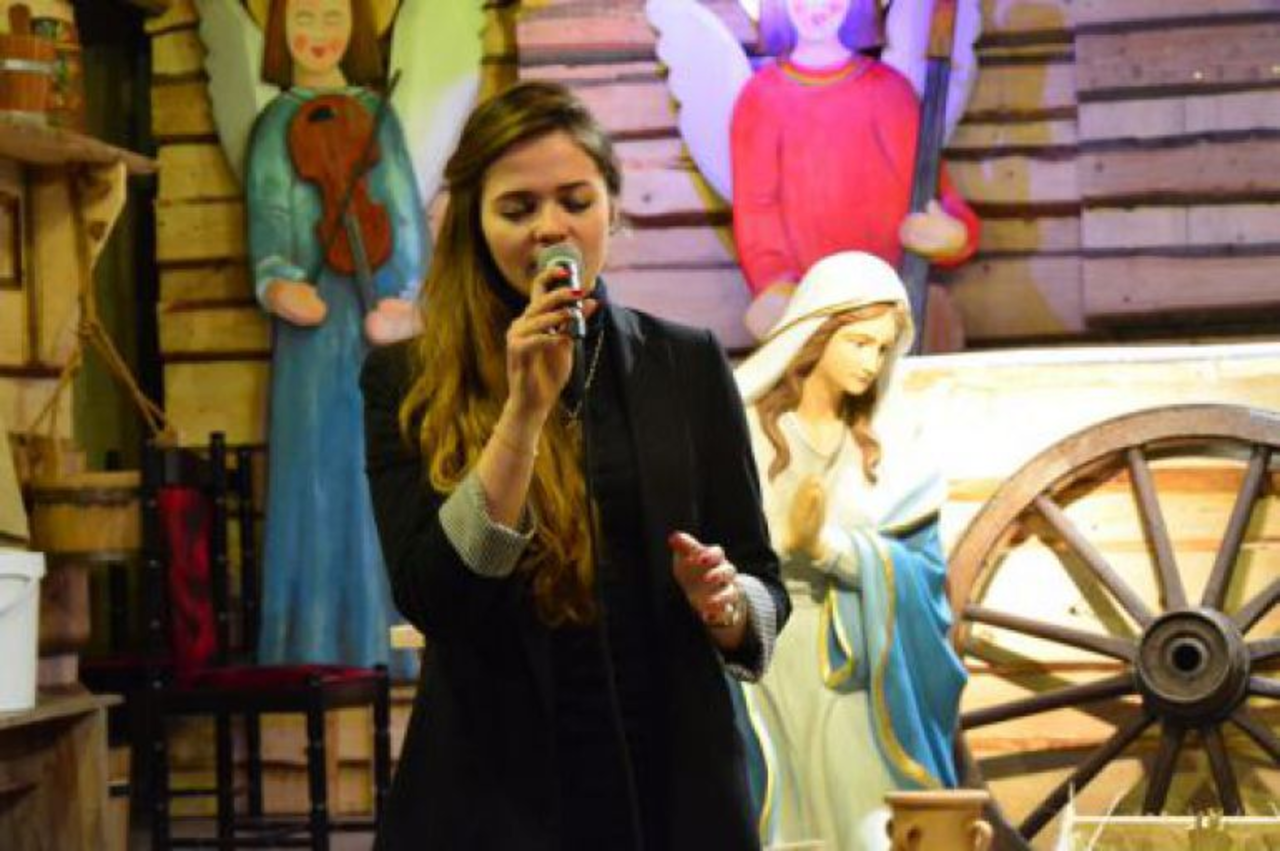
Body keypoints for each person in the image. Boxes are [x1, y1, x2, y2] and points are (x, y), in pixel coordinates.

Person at [361, 80, 790, 850]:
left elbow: (762, 582)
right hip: (498, 798)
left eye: (575, 200)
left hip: (673, 787)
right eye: (517, 207)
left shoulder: (686, 364)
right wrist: (523, 413)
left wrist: (727, 606)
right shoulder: (407, 379)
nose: (550, 227)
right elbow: (435, 596)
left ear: (611, 209)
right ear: (474, 222)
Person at [732, 251, 968, 849]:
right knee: (783, 820)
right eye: (859, 343)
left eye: (884, 349)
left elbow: (923, 572)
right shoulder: (745, 431)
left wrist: (826, 548)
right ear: (817, 333)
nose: (872, 362)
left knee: (865, 817)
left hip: (855, 661)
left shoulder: (889, 447)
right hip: (761, 659)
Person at [246, 0, 427, 677]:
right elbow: (267, 212)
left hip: (374, 321)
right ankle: (312, 643)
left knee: (381, 467)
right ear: (278, 27)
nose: (318, 34)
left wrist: (404, 296)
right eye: (304, 16)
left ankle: (393, 640)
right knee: (315, 478)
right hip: (311, 329)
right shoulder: (273, 123)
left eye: (333, 16)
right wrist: (276, 282)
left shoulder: (379, 115)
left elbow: (402, 212)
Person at [732, 0, 980, 341]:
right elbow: (757, 215)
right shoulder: (760, 100)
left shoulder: (890, 91)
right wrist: (776, 286)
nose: (817, 6)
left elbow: (935, 194)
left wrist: (954, 236)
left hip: (893, 304)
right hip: (810, 314)